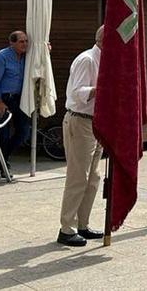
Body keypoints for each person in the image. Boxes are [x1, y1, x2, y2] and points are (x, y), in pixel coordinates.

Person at [57, 26, 105, 247]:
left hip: (95, 122)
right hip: (80, 119)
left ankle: (82, 224)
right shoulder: (86, 60)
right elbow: (77, 92)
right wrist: (103, 87)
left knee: (93, 177)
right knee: (78, 176)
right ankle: (67, 228)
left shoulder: (103, 59)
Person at [0, 31, 29, 178]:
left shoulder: (26, 56)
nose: (24, 44)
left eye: (26, 41)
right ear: (12, 43)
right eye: (21, 42)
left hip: (17, 98)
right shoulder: (2, 56)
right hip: (2, 98)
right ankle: (3, 165)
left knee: (23, 132)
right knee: (3, 135)